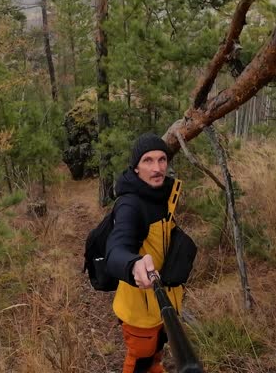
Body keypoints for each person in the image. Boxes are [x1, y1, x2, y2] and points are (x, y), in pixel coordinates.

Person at [106, 132, 184, 373]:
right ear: (136, 168)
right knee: (139, 361)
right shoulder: (130, 204)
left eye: (162, 160)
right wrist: (132, 265)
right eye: (148, 161)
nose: (157, 167)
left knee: (155, 354)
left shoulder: (163, 195)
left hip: (163, 302)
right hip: (140, 308)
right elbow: (116, 248)